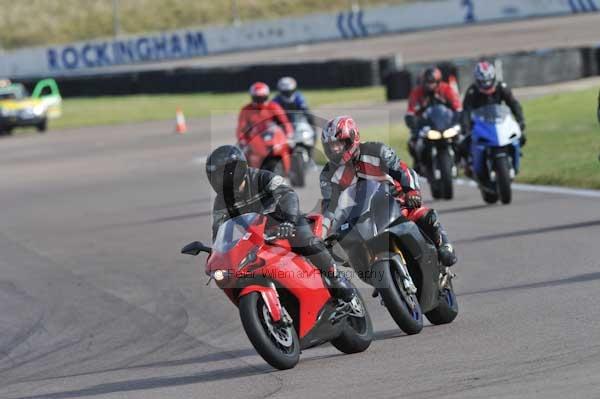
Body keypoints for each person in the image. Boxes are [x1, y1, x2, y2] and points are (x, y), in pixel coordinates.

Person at [206, 145, 355, 302]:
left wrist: (289, 221)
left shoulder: (261, 177)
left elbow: (288, 194)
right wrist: (217, 253)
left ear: (235, 172)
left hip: (286, 223)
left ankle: (336, 278)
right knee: (237, 271)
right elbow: (219, 228)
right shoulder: (221, 202)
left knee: (307, 240)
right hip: (255, 237)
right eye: (215, 176)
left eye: (221, 175)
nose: (219, 180)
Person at [319, 116, 457, 267]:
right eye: (331, 146)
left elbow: (403, 171)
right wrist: (325, 231)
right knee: (342, 252)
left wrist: (411, 192)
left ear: (353, 137)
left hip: (396, 204)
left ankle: (445, 245)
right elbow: (329, 206)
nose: (336, 149)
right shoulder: (328, 175)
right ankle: (379, 281)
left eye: (339, 143)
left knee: (424, 216)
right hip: (360, 219)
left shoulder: (377, 151)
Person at [460, 61, 526, 167]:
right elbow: (466, 111)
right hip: (480, 124)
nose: (486, 85)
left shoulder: (502, 87)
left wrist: (520, 120)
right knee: (464, 143)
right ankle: (469, 163)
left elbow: (514, 104)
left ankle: (515, 155)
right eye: (483, 82)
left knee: (521, 137)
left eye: (488, 81)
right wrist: (466, 127)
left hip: (499, 121)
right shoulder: (472, 91)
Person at [405, 67, 463, 168]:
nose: (429, 85)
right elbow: (410, 112)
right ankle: (419, 163)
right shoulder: (417, 93)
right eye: (427, 82)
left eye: (432, 82)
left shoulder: (447, 89)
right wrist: (413, 122)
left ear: (438, 82)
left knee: (461, 139)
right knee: (412, 143)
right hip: (426, 125)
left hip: (445, 124)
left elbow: (457, 107)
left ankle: (461, 161)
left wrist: (456, 120)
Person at [236, 82, 293, 147]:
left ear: (266, 96)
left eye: (262, 98)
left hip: (275, 140)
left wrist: (289, 134)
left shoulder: (274, 107)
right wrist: (242, 141)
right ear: (253, 97)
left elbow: (285, 122)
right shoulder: (246, 110)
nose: (260, 101)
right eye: (257, 98)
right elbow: (241, 128)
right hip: (254, 141)